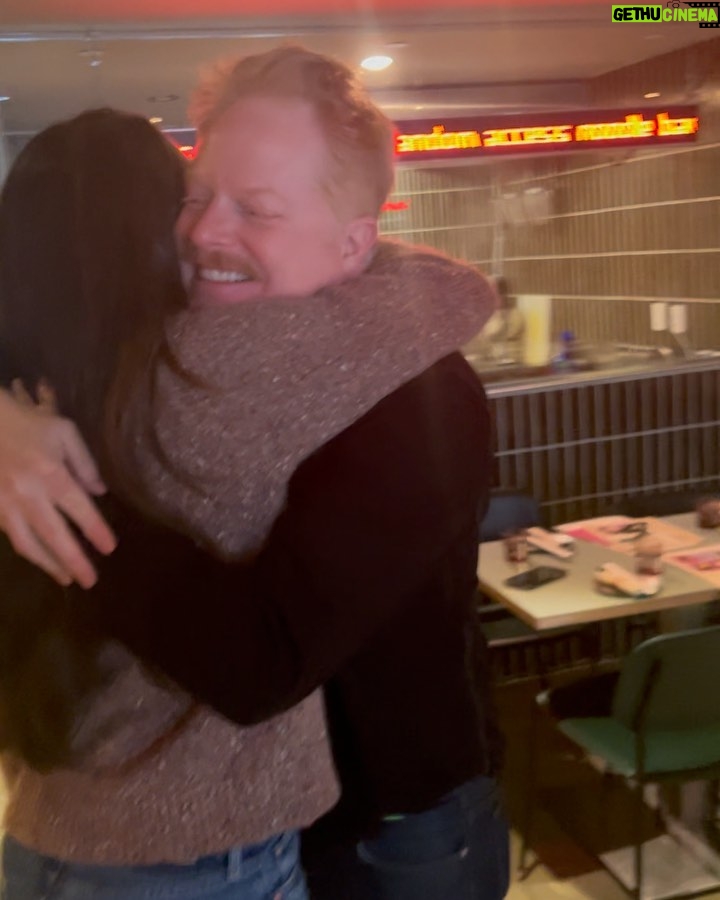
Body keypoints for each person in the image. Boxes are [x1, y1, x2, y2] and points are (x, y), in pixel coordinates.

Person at [0, 46, 508, 900]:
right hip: (259, 828)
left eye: (256, 209)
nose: (203, 232)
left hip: (395, 821)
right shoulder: (166, 362)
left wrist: (62, 484)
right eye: (194, 197)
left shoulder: (419, 393)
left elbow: (261, 663)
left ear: (354, 245)